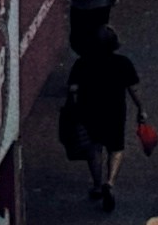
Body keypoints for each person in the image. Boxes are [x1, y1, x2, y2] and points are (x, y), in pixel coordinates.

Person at [61, 24, 146, 212]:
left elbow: (73, 89)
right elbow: (134, 89)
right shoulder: (123, 63)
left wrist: (73, 106)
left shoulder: (82, 63)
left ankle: (97, 185)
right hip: (115, 111)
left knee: (94, 148)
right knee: (116, 148)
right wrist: (141, 109)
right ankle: (110, 181)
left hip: (89, 111)